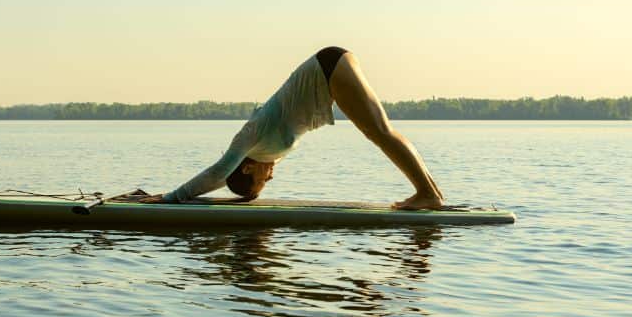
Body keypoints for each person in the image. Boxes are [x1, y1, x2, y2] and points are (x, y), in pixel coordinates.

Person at [142, 47, 445, 210]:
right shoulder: (263, 151)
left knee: (378, 131)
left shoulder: (249, 136)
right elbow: (227, 182)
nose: (271, 175)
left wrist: (172, 197)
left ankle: (427, 194)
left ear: (248, 169)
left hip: (327, 70)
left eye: (264, 179)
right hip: (330, 74)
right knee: (380, 131)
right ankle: (431, 193)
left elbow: (218, 173)